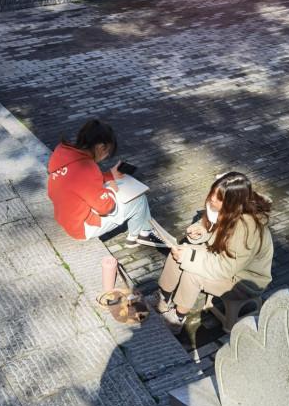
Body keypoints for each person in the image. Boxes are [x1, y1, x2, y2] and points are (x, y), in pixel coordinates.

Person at [151, 172, 273, 333]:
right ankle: (163, 297)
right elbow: (212, 227)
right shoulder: (231, 208)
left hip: (244, 280)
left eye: (218, 197)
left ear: (231, 202)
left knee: (192, 271)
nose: (212, 199)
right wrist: (200, 230)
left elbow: (225, 267)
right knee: (180, 251)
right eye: (213, 192)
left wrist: (189, 257)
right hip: (223, 257)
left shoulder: (246, 229)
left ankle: (177, 318)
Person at [47, 119, 165, 247]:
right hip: (81, 227)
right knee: (139, 199)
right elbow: (106, 207)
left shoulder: (64, 154)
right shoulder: (87, 167)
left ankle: (142, 232)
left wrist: (109, 175)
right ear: (100, 147)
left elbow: (79, 182)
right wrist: (112, 191)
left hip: (66, 217)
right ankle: (141, 235)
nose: (106, 155)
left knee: (128, 196)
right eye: (107, 152)